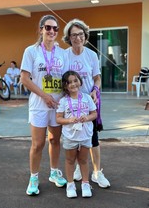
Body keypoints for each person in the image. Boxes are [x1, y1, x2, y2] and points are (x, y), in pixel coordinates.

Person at [20, 15, 67, 196]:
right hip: (39, 104)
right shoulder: (31, 51)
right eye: (48, 28)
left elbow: (67, 77)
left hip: (58, 104)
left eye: (55, 29)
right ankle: (33, 177)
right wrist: (45, 96)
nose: (52, 32)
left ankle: (54, 172)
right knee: (38, 144)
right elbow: (24, 78)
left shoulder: (62, 53)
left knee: (55, 140)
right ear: (41, 29)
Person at [62, 19, 110, 188]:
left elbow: (97, 78)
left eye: (80, 34)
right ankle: (77, 168)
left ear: (85, 35)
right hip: (71, 104)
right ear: (69, 37)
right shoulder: (64, 54)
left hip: (89, 104)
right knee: (74, 138)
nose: (78, 38)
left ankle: (97, 173)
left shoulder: (91, 55)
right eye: (74, 35)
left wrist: (95, 91)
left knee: (93, 139)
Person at [56, 71, 97, 198]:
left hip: (85, 135)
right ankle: (70, 184)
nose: (73, 84)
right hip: (70, 136)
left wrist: (87, 118)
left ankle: (85, 183)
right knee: (70, 160)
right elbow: (58, 118)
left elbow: (94, 114)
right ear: (65, 86)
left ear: (80, 81)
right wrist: (69, 120)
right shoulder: (63, 101)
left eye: (75, 80)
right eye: (69, 82)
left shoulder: (87, 98)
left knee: (83, 160)